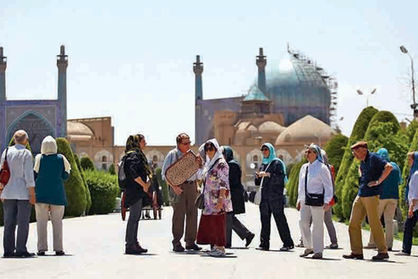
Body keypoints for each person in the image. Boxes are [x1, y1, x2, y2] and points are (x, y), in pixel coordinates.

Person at [343, 141, 393, 261]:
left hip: (371, 195)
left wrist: (378, 181)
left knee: (374, 222)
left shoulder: (374, 157)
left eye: (356, 152)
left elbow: (389, 167)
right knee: (353, 223)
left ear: (364, 150)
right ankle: (357, 252)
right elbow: (361, 169)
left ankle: (383, 251)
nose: (354, 154)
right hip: (361, 194)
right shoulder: (363, 161)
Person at [162, 133, 201, 252]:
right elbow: (165, 174)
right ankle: (177, 242)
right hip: (178, 188)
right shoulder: (172, 155)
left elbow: (198, 173)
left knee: (193, 214)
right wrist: (174, 187)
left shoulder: (191, 156)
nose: (188, 145)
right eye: (185, 143)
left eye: (189, 142)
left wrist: (199, 164)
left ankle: (190, 241)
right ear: (179, 144)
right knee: (179, 215)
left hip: (191, 187)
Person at [0, 130, 36, 258]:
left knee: (8, 222)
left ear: (14, 140)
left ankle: (8, 251)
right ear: (26, 141)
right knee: (23, 222)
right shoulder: (26, 153)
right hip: (23, 193)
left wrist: (1, 192)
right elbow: (29, 176)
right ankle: (21, 250)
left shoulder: (7, 151)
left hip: (8, 191)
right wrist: (32, 194)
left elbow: (1, 172)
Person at [33, 136, 71, 256]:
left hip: (41, 195)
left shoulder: (39, 158)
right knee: (57, 222)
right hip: (57, 195)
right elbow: (66, 175)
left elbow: (34, 174)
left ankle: (41, 248)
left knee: (41, 222)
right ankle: (58, 248)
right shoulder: (61, 158)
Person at [196, 139, 232, 257]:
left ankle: (220, 248)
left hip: (217, 199)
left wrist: (221, 199)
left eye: (211, 149)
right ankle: (215, 246)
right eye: (207, 149)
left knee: (218, 222)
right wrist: (200, 164)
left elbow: (224, 183)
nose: (209, 151)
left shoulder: (221, 163)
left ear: (216, 149)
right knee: (211, 223)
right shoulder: (210, 163)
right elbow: (201, 176)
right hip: (209, 200)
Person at [255, 143, 294, 251]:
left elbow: (280, 179)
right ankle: (264, 244)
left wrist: (268, 175)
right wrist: (258, 176)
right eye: (262, 150)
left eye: (266, 149)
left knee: (280, 221)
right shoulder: (263, 163)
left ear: (271, 150)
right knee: (264, 221)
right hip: (265, 198)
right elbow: (258, 182)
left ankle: (288, 243)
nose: (264, 151)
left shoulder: (277, 163)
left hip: (275, 197)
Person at [297, 144, 333, 259]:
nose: (307, 154)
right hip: (304, 200)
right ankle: (309, 247)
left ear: (316, 154)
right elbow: (301, 185)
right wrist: (299, 199)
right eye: (307, 152)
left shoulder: (322, 168)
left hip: (317, 200)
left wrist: (328, 201)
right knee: (303, 222)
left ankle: (318, 250)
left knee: (317, 225)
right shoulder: (304, 167)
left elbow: (328, 186)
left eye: (310, 152)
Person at [366, 148, 401, 251]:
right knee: (389, 221)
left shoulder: (380, 167)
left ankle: (372, 242)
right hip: (394, 197)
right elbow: (399, 181)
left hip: (381, 197)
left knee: (375, 219)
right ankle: (389, 245)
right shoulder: (395, 166)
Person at [123, 134, 152, 255]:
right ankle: (130, 244)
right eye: (143, 141)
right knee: (134, 218)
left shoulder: (134, 154)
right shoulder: (134, 155)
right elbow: (133, 172)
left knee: (135, 217)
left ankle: (134, 243)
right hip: (134, 191)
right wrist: (144, 184)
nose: (145, 143)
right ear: (137, 142)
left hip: (136, 191)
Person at [222, 146, 255, 248]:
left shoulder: (232, 165)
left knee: (228, 217)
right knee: (229, 217)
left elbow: (231, 181)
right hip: (232, 194)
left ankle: (227, 242)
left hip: (233, 195)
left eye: (223, 153)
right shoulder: (231, 164)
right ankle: (247, 234)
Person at [400, 151, 418, 256]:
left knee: (408, 227)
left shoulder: (416, 174)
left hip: (415, 206)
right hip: (415, 205)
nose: (408, 162)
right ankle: (406, 249)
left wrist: (411, 207)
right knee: (408, 226)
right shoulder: (414, 172)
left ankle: (406, 249)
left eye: (410, 160)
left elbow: (415, 192)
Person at [321, 150, 339, 249]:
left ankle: (304, 240)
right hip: (329, 198)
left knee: (310, 219)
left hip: (322, 198)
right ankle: (334, 242)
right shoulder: (330, 167)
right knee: (328, 221)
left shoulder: (322, 168)